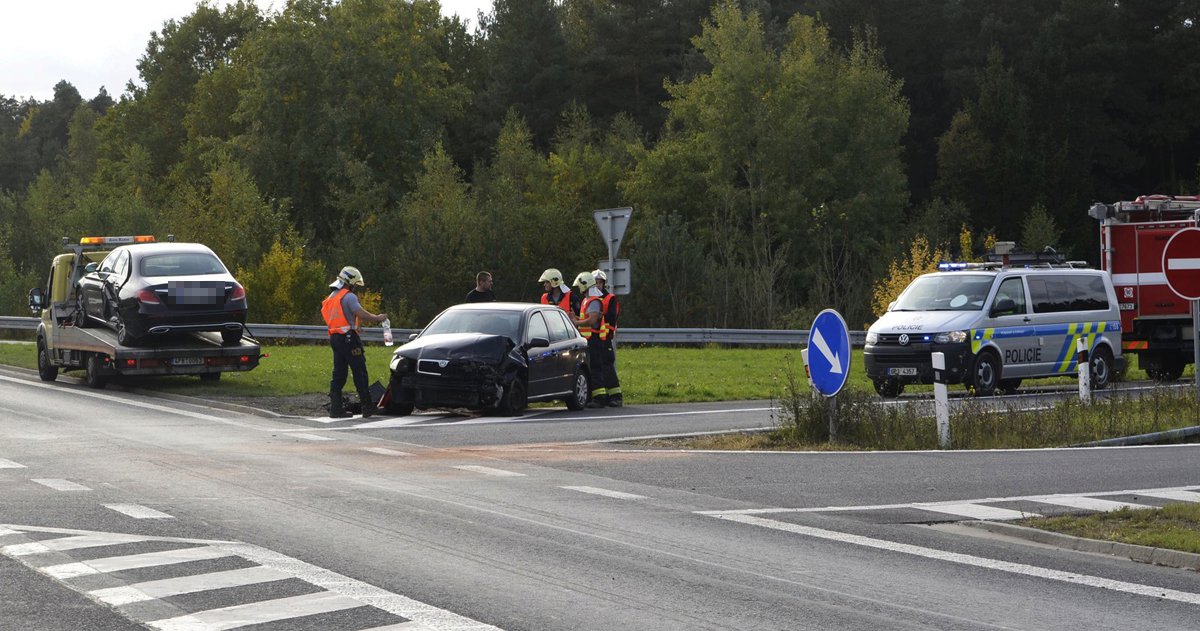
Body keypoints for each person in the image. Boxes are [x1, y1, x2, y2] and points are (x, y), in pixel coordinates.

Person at [321, 266, 388, 419]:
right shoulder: (349, 296)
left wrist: (355, 326)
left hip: (335, 338)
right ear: (350, 282)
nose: (355, 287)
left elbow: (342, 317)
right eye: (355, 285)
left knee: (339, 373)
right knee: (360, 372)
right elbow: (359, 313)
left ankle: (336, 409)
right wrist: (378, 318)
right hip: (349, 340)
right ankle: (367, 407)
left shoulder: (332, 296)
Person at [571, 271, 610, 408]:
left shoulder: (593, 301)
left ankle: (600, 399)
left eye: (580, 286)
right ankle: (594, 397)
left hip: (594, 339)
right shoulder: (587, 300)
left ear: (585, 285)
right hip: (588, 339)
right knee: (591, 368)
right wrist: (575, 319)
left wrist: (577, 323)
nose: (579, 289)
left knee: (596, 368)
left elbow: (592, 320)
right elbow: (585, 319)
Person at [592, 269, 623, 407]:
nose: (598, 285)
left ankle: (616, 396)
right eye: (595, 283)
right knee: (596, 367)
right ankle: (601, 397)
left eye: (600, 282)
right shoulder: (591, 298)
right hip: (594, 338)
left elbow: (612, 316)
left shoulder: (610, 298)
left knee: (608, 367)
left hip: (605, 338)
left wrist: (599, 314)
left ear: (604, 283)